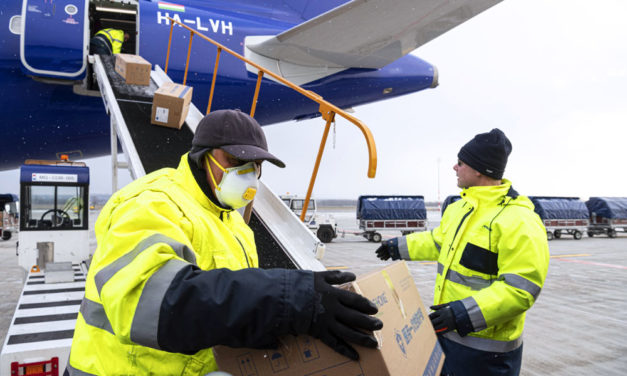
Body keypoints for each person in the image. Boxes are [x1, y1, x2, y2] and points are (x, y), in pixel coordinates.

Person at [66, 110, 382, 375]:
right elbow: (152, 302)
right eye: (236, 161)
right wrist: (287, 300)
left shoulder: (234, 222)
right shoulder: (151, 202)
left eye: (257, 166)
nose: (250, 174)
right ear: (205, 157)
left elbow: (231, 307)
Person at [375, 129, 549, 376]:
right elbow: (438, 242)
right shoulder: (460, 208)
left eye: (460, 162)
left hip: (487, 354)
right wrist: (398, 247)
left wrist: (461, 314)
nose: (454, 168)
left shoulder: (519, 220)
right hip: (447, 337)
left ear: (479, 169)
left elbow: (520, 290)